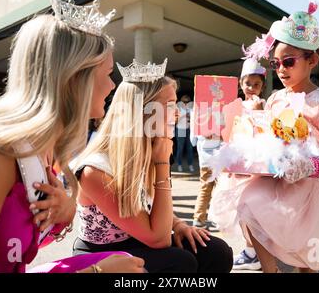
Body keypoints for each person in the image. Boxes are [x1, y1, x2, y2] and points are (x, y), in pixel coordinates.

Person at [0, 0, 144, 273]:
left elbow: (13, 243)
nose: (113, 86)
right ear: (75, 78)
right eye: (108, 72)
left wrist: (65, 211)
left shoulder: (40, 148)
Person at [209, 3, 319, 273]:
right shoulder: (276, 98)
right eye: (275, 63)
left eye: (289, 61)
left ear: (311, 60)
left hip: (315, 190)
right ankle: (270, 270)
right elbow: (266, 138)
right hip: (279, 181)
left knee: (307, 259)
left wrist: (310, 165)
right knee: (248, 205)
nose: (281, 69)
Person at [72, 59, 233, 273]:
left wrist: (178, 224)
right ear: (142, 112)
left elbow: (146, 206)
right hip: (100, 255)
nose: (176, 113)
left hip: (138, 240)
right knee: (180, 262)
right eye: (168, 105)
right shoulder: (95, 170)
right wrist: (162, 163)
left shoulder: (145, 149)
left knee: (215, 251)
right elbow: (159, 240)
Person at [210, 58, 267, 270]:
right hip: (236, 163)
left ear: (262, 86)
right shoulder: (234, 106)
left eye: (256, 84)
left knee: (253, 211)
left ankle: (254, 252)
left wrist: (259, 111)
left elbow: (265, 133)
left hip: (255, 165)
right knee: (241, 211)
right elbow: (227, 133)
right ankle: (251, 251)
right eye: (247, 83)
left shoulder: (263, 105)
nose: (251, 88)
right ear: (240, 84)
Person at [175, 95, 195, 172]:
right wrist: (184, 116)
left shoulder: (191, 108)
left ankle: (190, 165)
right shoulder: (178, 107)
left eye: (187, 102)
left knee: (190, 148)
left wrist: (190, 117)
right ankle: (179, 165)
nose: (186, 103)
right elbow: (175, 119)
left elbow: (194, 118)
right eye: (184, 102)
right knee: (180, 148)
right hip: (180, 129)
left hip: (188, 129)